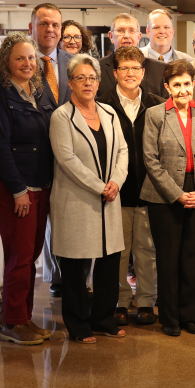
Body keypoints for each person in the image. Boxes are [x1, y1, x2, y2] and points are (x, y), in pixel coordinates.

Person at [50, 54, 131, 343]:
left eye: (92, 78)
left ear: (99, 82)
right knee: (75, 266)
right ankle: (77, 323)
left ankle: (103, 318)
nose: (88, 83)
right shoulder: (62, 116)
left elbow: (122, 151)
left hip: (110, 198)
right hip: (77, 199)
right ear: (70, 82)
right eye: (81, 78)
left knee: (109, 262)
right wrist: (99, 186)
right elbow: (67, 160)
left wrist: (116, 182)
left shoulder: (109, 113)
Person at [141, 60, 195, 337]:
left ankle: (190, 316)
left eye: (187, 84)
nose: (183, 89)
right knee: (168, 258)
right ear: (167, 87)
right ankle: (170, 318)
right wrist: (177, 195)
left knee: (193, 257)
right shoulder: (154, 115)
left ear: (193, 84)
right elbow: (150, 161)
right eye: (176, 85)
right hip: (164, 195)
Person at [0, 32, 56, 346]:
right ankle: (13, 323)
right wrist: (17, 190)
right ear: (6, 62)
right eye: (19, 58)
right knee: (20, 256)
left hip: (41, 186)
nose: (27, 63)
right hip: (15, 190)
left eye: (30, 58)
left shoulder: (40, 92)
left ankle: (23, 317)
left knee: (31, 256)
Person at [99, 47, 162, 327]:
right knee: (120, 251)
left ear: (143, 72)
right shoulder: (102, 105)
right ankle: (121, 300)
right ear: (114, 73)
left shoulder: (157, 105)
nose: (130, 74)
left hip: (149, 189)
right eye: (124, 68)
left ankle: (147, 300)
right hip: (117, 191)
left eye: (135, 68)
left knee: (147, 250)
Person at [31, 4, 70, 296]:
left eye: (56, 24)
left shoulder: (73, 63)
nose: (51, 29)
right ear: (32, 26)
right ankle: (16, 291)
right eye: (44, 23)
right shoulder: (21, 61)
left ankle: (65, 279)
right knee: (30, 236)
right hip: (33, 160)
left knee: (67, 223)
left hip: (69, 159)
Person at [100, 13, 167, 99]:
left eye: (132, 31)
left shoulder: (159, 69)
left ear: (139, 37)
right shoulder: (97, 68)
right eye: (120, 30)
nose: (126, 36)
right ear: (111, 36)